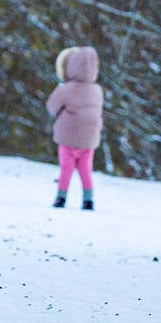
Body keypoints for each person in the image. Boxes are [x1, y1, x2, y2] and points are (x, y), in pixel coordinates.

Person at [45, 46, 103, 210]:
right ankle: (88, 199)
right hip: (89, 138)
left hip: (67, 138)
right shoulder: (97, 91)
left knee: (66, 169)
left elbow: (51, 107)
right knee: (85, 170)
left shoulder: (65, 89)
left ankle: (61, 198)